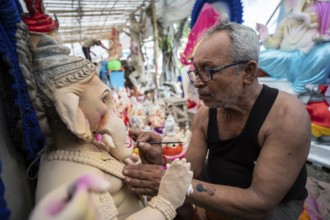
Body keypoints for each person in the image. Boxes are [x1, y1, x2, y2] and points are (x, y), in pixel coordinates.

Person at [123, 22, 311, 219]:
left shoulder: (287, 116)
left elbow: (260, 201)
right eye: (196, 71)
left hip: (273, 209)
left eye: (209, 71)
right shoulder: (205, 115)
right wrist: (157, 163)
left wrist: (176, 184)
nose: (196, 82)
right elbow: (191, 173)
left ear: (247, 71)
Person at [26, 34, 193, 220]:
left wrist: (150, 165)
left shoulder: (89, 148)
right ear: (73, 113)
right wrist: (166, 201)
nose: (110, 108)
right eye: (104, 99)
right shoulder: (71, 179)